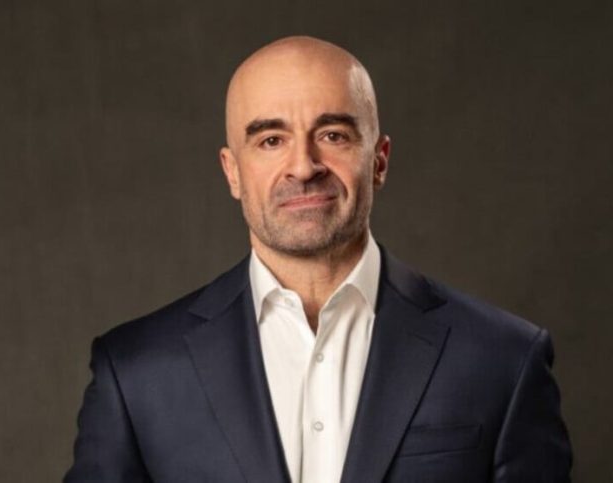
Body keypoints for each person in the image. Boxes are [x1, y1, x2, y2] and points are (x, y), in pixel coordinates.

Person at [65, 36, 572, 483]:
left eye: (333, 135)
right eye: (271, 140)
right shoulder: (135, 371)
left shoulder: (503, 359)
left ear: (379, 160)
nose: (304, 167)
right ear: (232, 172)